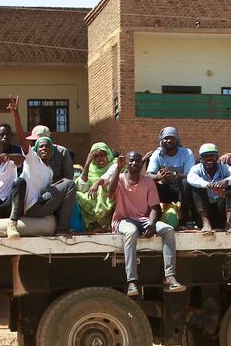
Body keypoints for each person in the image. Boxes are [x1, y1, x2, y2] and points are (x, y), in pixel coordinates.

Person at [104, 150, 186, 298]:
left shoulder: (148, 181)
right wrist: (117, 167)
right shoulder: (120, 178)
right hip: (123, 219)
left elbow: (154, 207)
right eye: (131, 161)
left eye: (137, 161)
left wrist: (153, 224)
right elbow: (110, 193)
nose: (134, 163)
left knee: (167, 229)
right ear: (126, 163)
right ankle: (132, 281)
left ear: (141, 164)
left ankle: (170, 276)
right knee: (130, 232)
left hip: (143, 220)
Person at [146, 126, 197, 229]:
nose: (169, 141)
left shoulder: (186, 153)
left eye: (172, 138)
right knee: (150, 183)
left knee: (186, 182)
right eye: (166, 138)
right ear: (162, 140)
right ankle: (155, 217)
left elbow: (191, 174)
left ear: (176, 140)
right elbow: (148, 175)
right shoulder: (157, 154)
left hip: (181, 189)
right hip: (165, 187)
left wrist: (175, 176)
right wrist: (158, 176)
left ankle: (185, 218)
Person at [186, 143, 231, 232]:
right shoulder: (196, 169)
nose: (209, 158)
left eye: (212, 156)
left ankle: (229, 223)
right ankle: (206, 223)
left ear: (217, 157)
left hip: (221, 212)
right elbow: (191, 178)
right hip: (203, 212)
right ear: (201, 159)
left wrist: (226, 182)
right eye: (205, 156)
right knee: (196, 187)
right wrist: (207, 185)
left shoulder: (224, 167)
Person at [76, 142, 118, 231]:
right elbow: (82, 187)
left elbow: (109, 178)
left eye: (103, 155)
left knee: (104, 186)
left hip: (109, 201)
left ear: (108, 155)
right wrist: (87, 164)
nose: (100, 159)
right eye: (96, 156)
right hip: (93, 202)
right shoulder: (91, 169)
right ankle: (95, 225)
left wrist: (98, 184)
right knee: (76, 194)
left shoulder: (115, 165)